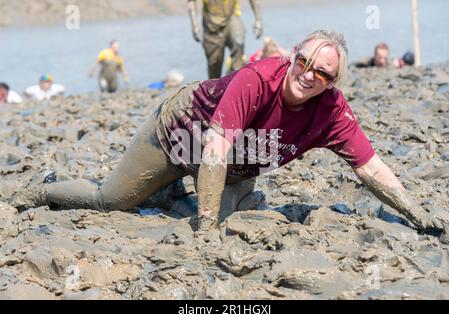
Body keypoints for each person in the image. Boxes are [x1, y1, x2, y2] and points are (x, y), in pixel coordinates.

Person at [16, 30, 446, 238]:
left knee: (226, 214)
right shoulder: (257, 79)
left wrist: (417, 214)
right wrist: (205, 233)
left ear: (333, 82)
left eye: (322, 72)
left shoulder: (332, 112)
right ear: (292, 57)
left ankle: (171, 195)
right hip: (180, 133)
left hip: (241, 162)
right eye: (303, 62)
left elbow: (372, 170)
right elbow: (215, 148)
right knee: (111, 201)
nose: (308, 75)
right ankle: (44, 191)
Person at [188, 0, 263, 79]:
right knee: (214, 63)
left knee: (238, 41)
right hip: (211, 23)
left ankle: (238, 81)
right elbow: (191, 1)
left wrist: (258, 20)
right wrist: (194, 25)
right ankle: (214, 87)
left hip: (231, 17)